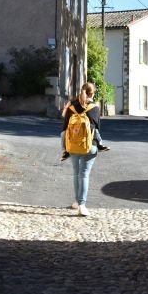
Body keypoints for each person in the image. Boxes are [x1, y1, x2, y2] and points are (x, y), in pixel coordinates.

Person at [60, 82, 109, 216]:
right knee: (84, 174)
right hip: (90, 145)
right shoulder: (94, 108)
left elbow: (64, 129)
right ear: (92, 94)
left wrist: (65, 147)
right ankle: (82, 205)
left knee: (76, 173)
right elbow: (96, 127)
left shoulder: (71, 106)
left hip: (73, 146)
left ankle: (76, 202)